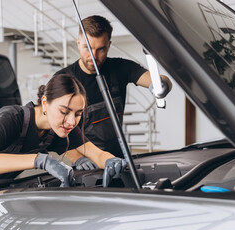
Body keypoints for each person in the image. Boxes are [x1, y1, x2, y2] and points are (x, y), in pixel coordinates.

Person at [0, 74, 126, 230]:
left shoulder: (61, 127)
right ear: (44, 103)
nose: (71, 121)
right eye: (64, 112)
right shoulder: (11, 118)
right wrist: (40, 160)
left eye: (78, 113)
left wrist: (111, 160)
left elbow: (96, 153)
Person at [55, 15, 172, 166]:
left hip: (119, 158)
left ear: (109, 45)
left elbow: (161, 80)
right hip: (87, 164)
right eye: (87, 48)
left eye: (101, 49)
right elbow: (56, 131)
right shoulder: (63, 79)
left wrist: (161, 85)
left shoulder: (120, 68)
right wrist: (78, 159)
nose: (93, 56)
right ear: (78, 43)